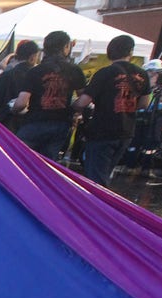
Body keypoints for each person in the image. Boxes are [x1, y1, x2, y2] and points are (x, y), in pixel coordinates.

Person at [75, 35, 148, 186]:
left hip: (103, 130)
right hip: (126, 131)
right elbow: (144, 103)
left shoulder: (105, 73)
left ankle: (96, 207)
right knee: (106, 172)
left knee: (96, 178)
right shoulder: (143, 74)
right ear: (131, 52)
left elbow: (84, 101)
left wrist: (73, 107)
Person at [13, 30, 86, 161]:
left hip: (34, 122)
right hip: (61, 124)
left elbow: (22, 103)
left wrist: (13, 109)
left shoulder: (35, 71)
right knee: (47, 165)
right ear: (66, 47)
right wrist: (72, 108)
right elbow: (83, 100)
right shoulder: (75, 70)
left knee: (18, 159)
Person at [0, 40, 40, 131]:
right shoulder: (38, 78)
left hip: (2, 125)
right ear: (32, 57)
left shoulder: (6, 75)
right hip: (26, 127)